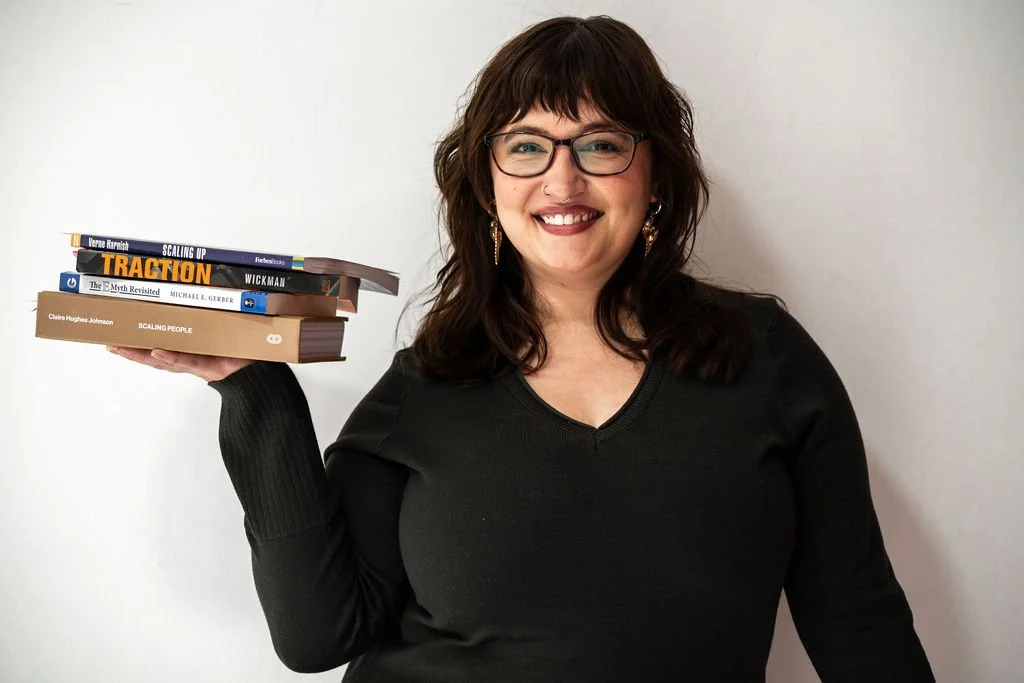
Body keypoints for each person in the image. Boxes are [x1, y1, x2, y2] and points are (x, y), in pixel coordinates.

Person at [108, 15, 935, 682]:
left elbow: (858, 622)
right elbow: (318, 634)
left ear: (656, 177)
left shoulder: (766, 360)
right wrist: (254, 388)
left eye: (601, 144)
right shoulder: (430, 380)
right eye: (526, 145)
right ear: (489, 181)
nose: (562, 180)